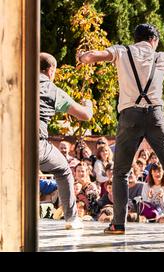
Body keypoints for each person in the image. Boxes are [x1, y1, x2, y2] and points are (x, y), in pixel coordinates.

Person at [78, 23, 164, 233]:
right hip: (155, 115)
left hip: (129, 116)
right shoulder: (162, 57)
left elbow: (92, 57)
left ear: (136, 39)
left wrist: (83, 57)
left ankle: (118, 223)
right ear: (154, 40)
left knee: (120, 172)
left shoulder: (121, 51)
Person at [39, 52, 93, 230]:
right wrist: (88, 105)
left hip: (8, 142)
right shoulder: (51, 90)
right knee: (63, 170)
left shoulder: (16, 82)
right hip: (37, 145)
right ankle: (71, 219)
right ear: (51, 70)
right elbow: (85, 115)